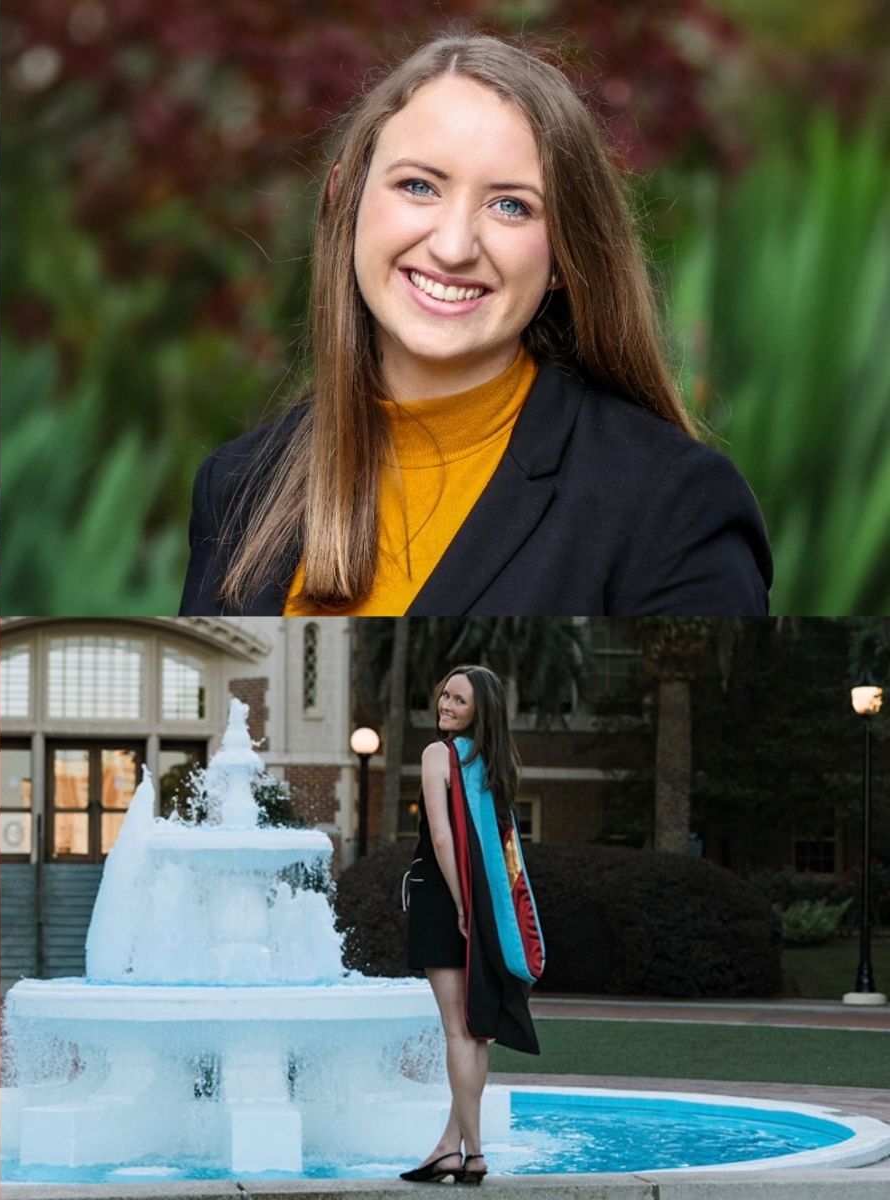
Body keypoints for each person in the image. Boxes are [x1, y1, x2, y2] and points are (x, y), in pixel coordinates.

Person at [180, 35, 771, 616]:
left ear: (565, 255)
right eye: (419, 186)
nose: (454, 246)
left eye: (511, 205)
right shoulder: (238, 487)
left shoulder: (668, 505)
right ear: (343, 200)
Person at [400, 664, 543, 1184]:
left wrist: (460, 905)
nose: (446, 705)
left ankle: (474, 1153)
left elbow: (441, 840)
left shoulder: (437, 754)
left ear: (479, 710)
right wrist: (480, 911)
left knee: (457, 1032)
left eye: (459, 700)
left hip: (446, 899)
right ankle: (447, 1146)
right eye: (445, 695)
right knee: (477, 1033)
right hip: (487, 901)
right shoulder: (495, 764)